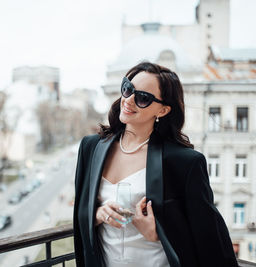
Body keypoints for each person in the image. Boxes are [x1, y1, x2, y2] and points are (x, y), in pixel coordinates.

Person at [73, 62, 238, 267]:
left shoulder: (185, 162)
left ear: (162, 110)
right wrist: (97, 214)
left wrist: (159, 233)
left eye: (143, 98)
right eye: (128, 89)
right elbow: (80, 211)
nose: (129, 100)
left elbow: (210, 240)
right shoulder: (91, 148)